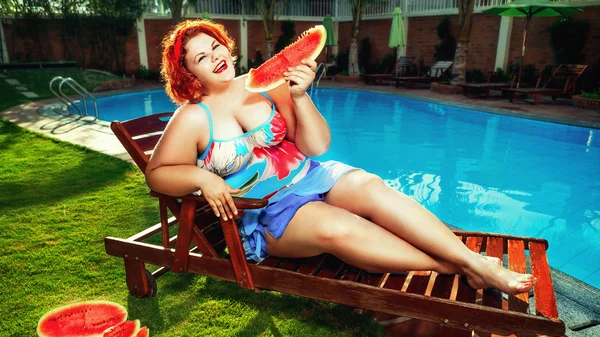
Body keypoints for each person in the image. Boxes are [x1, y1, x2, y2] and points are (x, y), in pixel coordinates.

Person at [146, 19, 534, 295]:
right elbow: (157, 173)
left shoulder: (264, 83)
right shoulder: (193, 117)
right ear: (189, 75)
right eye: (200, 57)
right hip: (264, 210)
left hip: (311, 175)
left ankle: (470, 262)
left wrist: (299, 97)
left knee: (369, 185)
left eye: (214, 45)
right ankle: (462, 265)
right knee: (337, 227)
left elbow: (316, 146)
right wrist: (203, 178)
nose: (214, 56)